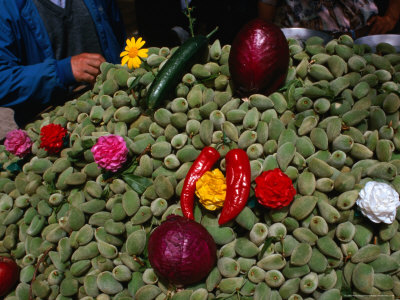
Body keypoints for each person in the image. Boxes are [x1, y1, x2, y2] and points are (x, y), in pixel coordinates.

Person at [0, 0, 126, 127]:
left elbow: (119, 40)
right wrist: (62, 72)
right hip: (54, 129)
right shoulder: (6, 8)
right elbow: (3, 81)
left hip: (114, 110)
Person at [258, 0, 400, 36]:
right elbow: (267, 3)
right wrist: (266, 36)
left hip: (361, 31)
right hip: (301, 36)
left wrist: (391, 17)